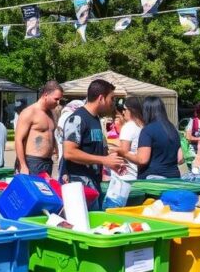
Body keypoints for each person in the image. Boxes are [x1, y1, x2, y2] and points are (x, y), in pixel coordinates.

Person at [59, 79, 125, 208]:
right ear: (101, 98)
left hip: (93, 183)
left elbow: (95, 149)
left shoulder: (95, 119)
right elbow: (69, 152)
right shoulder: (77, 118)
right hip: (80, 185)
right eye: (112, 99)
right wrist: (104, 160)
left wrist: (113, 162)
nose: (113, 103)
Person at [15, 81, 64, 176]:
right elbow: (18, 140)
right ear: (46, 95)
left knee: (45, 190)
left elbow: (52, 135)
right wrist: (23, 165)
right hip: (32, 162)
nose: (58, 103)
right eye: (56, 99)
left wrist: (57, 152)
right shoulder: (29, 112)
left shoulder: (52, 113)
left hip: (47, 162)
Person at [135, 96, 182, 179]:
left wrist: (124, 153)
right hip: (173, 176)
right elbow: (180, 159)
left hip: (152, 179)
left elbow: (142, 160)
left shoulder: (147, 130)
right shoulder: (172, 129)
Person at [110, 96, 144, 180]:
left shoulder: (128, 127)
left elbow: (123, 151)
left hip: (127, 173)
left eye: (125, 109)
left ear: (132, 110)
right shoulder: (143, 126)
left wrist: (111, 149)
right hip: (140, 171)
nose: (123, 112)